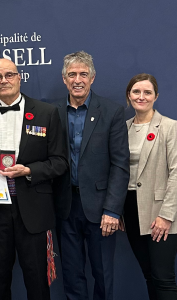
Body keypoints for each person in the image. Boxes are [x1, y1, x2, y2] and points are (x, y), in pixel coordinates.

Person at [0, 58, 68, 299]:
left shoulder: (46, 113)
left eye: (9, 75)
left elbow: (60, 162)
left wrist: (28, 171)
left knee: (38, 281)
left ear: (20, 78)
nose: (3, 80)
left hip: (33, 210)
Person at [53, 51, 130, 300]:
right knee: (71, 274)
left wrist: (112, 210)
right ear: (64, 79)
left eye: (83, 74)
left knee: (102, 274)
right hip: (65, 208)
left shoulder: (112, 112)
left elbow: (120, 165)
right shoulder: (52, 112)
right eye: (72, 74)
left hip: (101, 210)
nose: (78, 79)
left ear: (92, 78)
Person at [124, 73, 177, 300]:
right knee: (149, 275)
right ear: (129, 96)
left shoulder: (169, 127)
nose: (141, 96)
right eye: (136, 92)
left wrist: (166, 215)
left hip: (160, 212)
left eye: (147, 92)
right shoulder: (123, 128)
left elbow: (176, 172)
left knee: (163, 278)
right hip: (131, 209)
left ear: (156, 96)